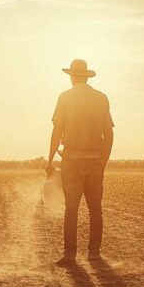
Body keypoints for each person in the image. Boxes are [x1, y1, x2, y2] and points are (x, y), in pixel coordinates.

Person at [45, 59, 115, 266]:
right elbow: (109, 133)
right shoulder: (101, 98)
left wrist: (49, 159)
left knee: (71, 208)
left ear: (72, 77)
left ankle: (69, 255)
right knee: (95, 209)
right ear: (86, 76)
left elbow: (57, 130)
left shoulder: (65, 98)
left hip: (71, 161)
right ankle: (94, 253)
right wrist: (103, 161)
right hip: (95, 161)